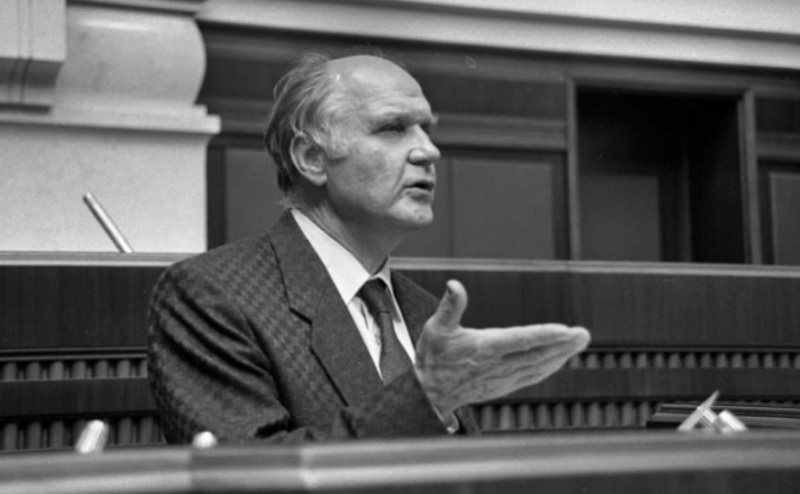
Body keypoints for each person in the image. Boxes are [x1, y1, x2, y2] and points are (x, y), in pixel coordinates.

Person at [147, 50, 590, 444]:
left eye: (425, 130)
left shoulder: (424, 311)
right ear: (312, 159)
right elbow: (245, 475)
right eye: (393, 129)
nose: (429, 151)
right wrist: (425, 400)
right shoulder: (212, 295)